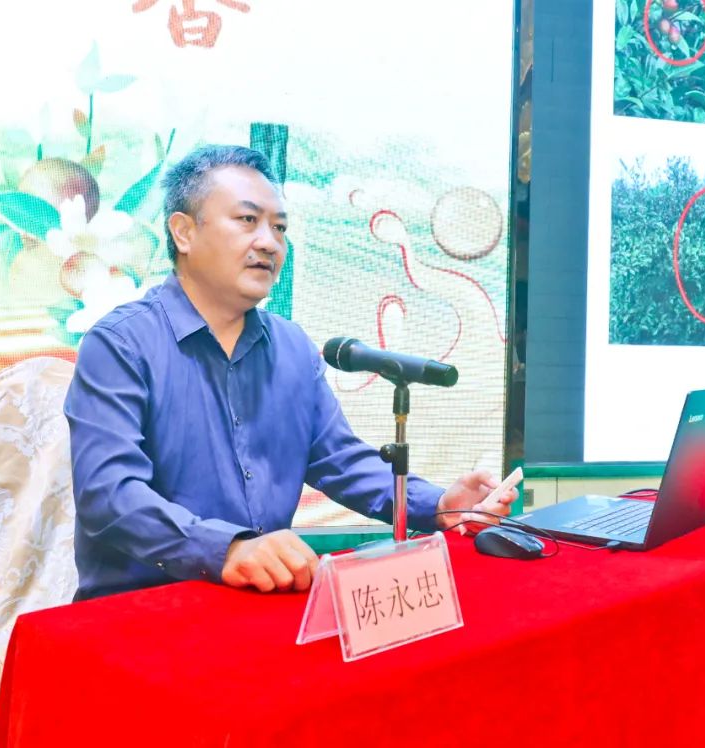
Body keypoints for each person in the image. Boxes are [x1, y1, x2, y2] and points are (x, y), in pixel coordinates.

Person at [65, 144, 516, 600]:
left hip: (260, 603)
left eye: (279, 227)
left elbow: (341, 461)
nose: (269, 242)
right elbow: (109, 494)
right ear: (183, 232)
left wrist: (438, 505)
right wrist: (227, 550)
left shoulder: (292, 347)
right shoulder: (120, 344)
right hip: (142, 611)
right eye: (247, 220)